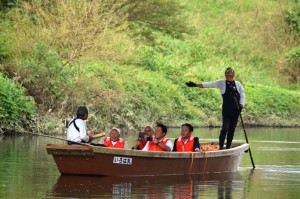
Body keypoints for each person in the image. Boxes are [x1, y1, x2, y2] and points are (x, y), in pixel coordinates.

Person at [186, 67, 245, 150]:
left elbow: (242, 95)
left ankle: (228, 147)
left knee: (232, 130)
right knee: (225, 128)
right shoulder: (221, 83)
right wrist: (195, 85)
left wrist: (241, 105)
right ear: (225, 75)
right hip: (226, 110)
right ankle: (221, 147)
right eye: (228, 73)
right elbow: (209, 84)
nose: (229, 74)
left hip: (236, 110)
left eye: (231, 73)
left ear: (233, 75)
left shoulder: (238, 84)